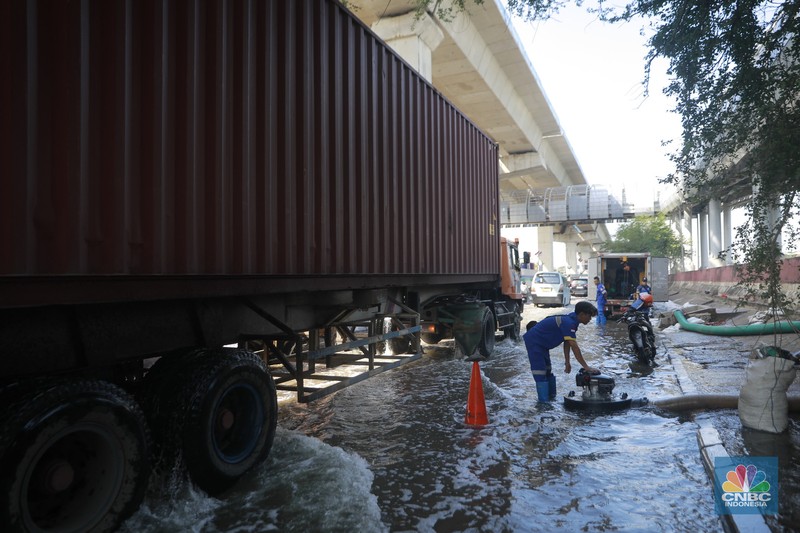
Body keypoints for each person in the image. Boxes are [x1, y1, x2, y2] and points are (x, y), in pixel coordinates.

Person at [522, 301, 600, 402]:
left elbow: (567, 342)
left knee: (548, 371)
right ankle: (544, 405)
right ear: (581, 314)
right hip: (534, 342)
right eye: (589, 316)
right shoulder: (569, 323)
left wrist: (567, 362)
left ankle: (552, 399)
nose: (590, 319)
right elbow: (575, 347)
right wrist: (586, 367)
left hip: (542, 345)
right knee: (540, 373)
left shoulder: (572, 322)